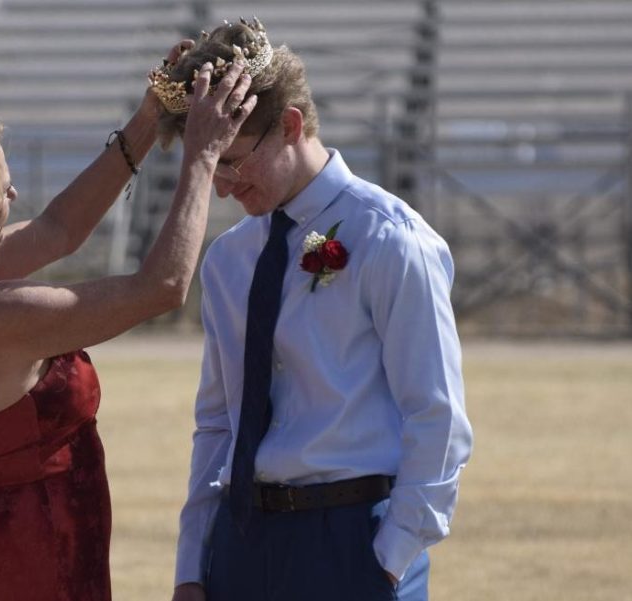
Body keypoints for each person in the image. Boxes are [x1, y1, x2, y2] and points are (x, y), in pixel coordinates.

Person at [0, 41, 257, 601]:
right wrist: (202, 157)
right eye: (1, 188)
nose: (14, 194)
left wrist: (146, 121)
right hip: (37, 562)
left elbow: (60, 227)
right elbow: (160, 288)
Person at [150, 19, 473, 601]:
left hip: (353, 539)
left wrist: (390, 557)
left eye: (233, 160)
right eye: (209, 164)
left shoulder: (390, 238)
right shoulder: (228, 260)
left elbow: (437, 416)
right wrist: (192, 566)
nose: (221, 186)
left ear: (291, 126)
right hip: (242, 540)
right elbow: (219, 421)